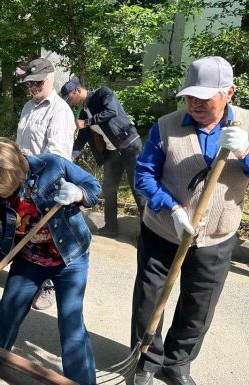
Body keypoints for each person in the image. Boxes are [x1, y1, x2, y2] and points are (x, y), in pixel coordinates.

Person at [131, 56, 249, 385]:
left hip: (217, 235)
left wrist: (246, 152)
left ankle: (177, 362)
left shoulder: (247, 126)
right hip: (164, 230)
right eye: (190, 95)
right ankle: (146, 360)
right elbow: (144, 176)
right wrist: (172, 208)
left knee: (199, 305)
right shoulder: (166, 126)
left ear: (229, 92)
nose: (194, 103)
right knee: (149, 298)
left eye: (204, 96)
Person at [0, 137, 100, 385]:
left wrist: (79, 194)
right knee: (8, 309)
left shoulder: (52, 165)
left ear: (11, 173)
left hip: (70, 258)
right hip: (28, 258)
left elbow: (93, 186)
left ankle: (81, 380)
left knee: (71, 323)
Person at [17, 58, 77, 311]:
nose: (33, 87)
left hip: (46, 184)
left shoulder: (60, 111)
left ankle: (50, 287)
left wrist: (36, 183)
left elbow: (57, 158)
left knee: (48, 237)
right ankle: (31, 277)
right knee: (27, 232)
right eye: (29, 83)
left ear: (51, 78)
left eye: (38, 83)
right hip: (24, 180)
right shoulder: (28, 107)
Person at [61, 79, 145, 239]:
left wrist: (87, 122)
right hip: (112, 153)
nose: (69, 102)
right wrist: (70, 156)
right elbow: (82, 138)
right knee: (109, 189)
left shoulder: (103, 93)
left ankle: (147, 232)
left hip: (130, 146)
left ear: (78, 91)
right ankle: (111, 227)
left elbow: (111, 111)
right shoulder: (84, 112)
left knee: (138, 189)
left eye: (69, 98)